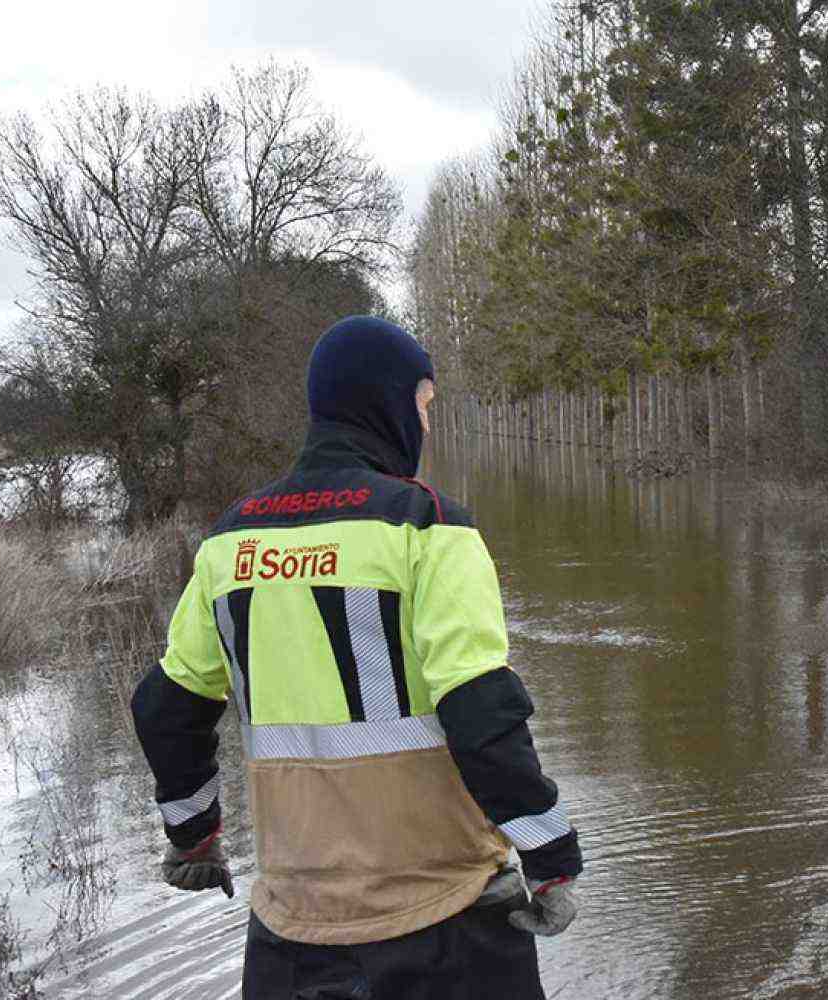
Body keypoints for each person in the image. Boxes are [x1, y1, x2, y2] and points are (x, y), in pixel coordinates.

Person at [130, 316, 582, 999]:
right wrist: (549, 856)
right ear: (388, 404)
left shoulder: (229, 545)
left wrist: (193, 835)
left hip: (291, 937)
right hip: (446, 924)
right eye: (423, 407)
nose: (425, 427)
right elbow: (481, 709)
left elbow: (166, 707)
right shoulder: (429, 529)